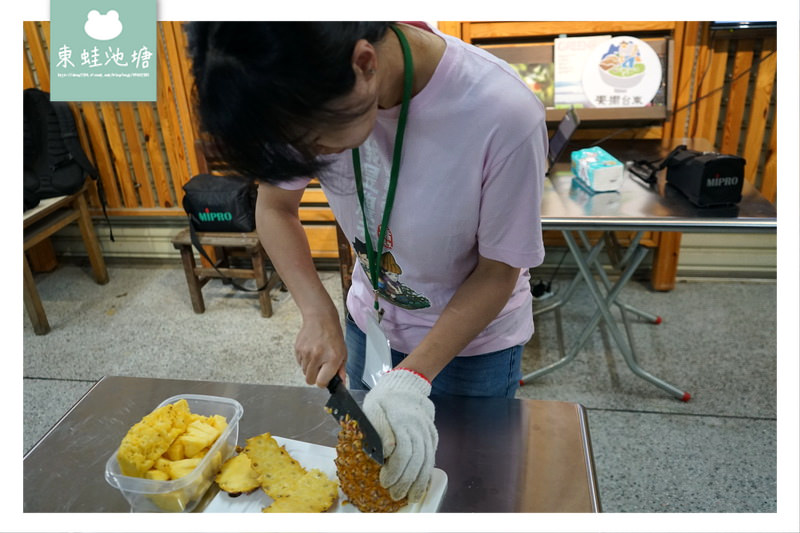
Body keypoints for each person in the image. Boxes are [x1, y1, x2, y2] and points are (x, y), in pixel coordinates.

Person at [186, 21, 547, 504]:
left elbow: (499, 271)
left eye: (313, 145)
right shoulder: (293, 86)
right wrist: (318, 312)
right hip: (370, 327)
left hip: (472, 347)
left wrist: (413, 375)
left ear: (364, 64)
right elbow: (273, 207)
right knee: (377, 481)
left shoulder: (502, 113)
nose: (307, 159)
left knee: (463, 490)